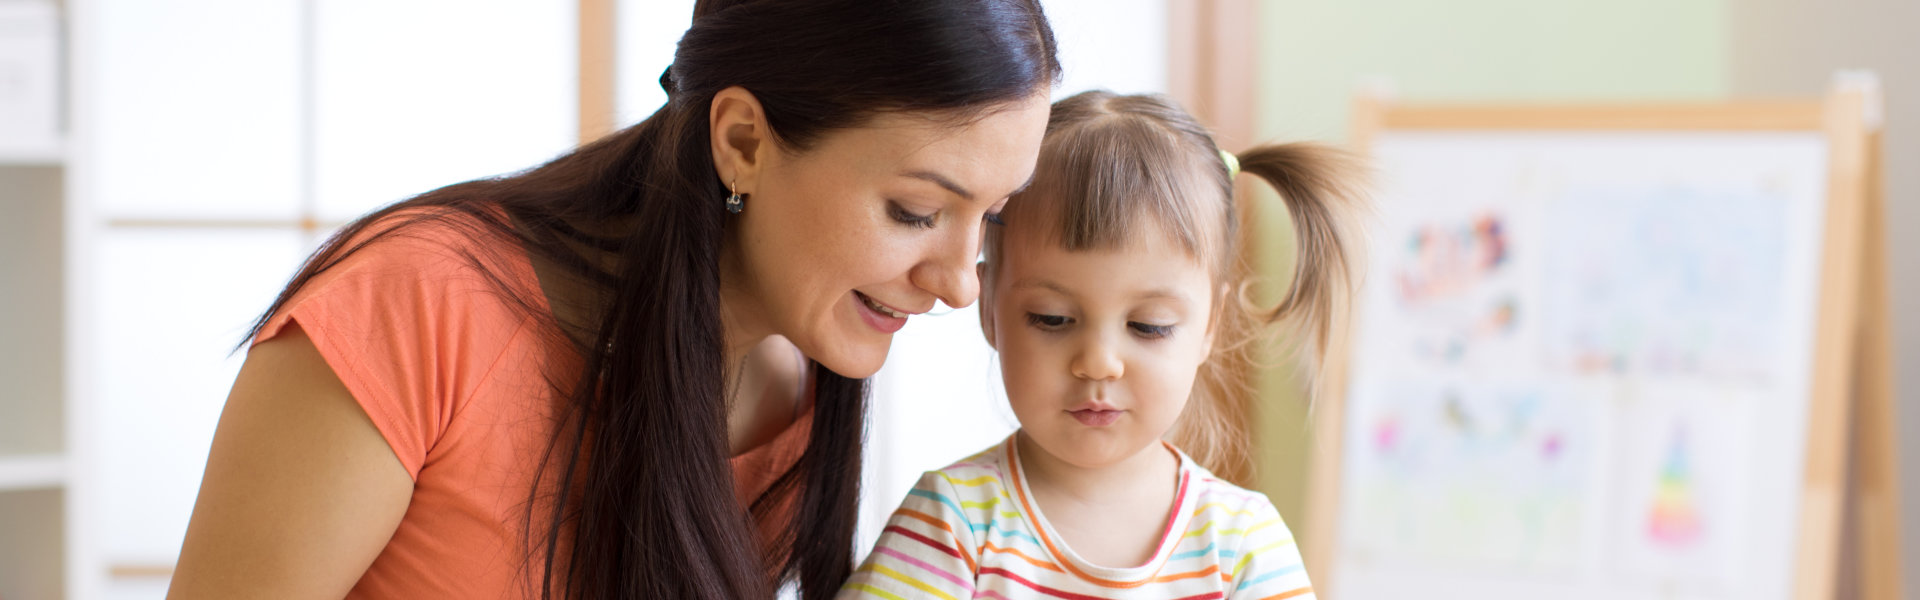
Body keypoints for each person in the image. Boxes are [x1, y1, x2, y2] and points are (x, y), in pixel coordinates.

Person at [165, 1, 1059, 598]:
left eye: (993, 215)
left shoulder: (795, 383)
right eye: (916, 211)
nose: (957, 281)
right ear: (743, 140)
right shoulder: (416, 308)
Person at [837, 91, 1365, 599]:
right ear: (989, 311)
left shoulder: (1242, 544)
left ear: (1210, 327)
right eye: (1053, 318)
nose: (1098, 363)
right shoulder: (952, 525)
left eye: (1149, 326)